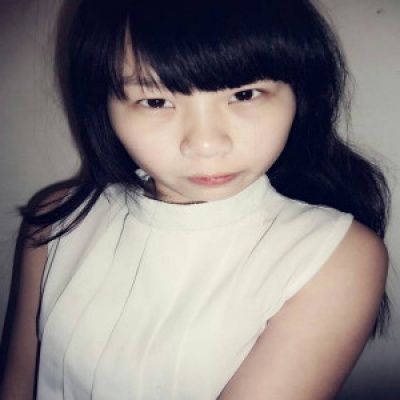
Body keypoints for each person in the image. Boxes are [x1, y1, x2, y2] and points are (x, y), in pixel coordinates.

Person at [0, 0, 391, 399]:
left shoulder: (336, 256)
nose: (206, 144)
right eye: (156, 102)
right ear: (102, 106)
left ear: (299, 91)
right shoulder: (57, 220)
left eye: (245, 94)